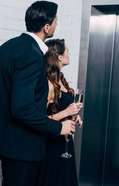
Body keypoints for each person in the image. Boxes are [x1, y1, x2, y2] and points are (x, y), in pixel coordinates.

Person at [0, 1, 78, 186]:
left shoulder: (6, 47)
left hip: (6, 143)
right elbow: (22, 108)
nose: (57, 25)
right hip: (23, 147)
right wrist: (59, 128)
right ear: (46, 27)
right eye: (56, 21)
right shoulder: (32, 55)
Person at [37, 39, 83, 186]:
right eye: (67, 51)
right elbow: (39, 120)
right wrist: (66, 112)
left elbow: (62, 108)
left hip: (65, 142)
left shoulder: (61, 80)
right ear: (59, 57)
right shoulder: (48, 85)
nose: (69, 54)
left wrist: (73, 115)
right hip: (53, 145)